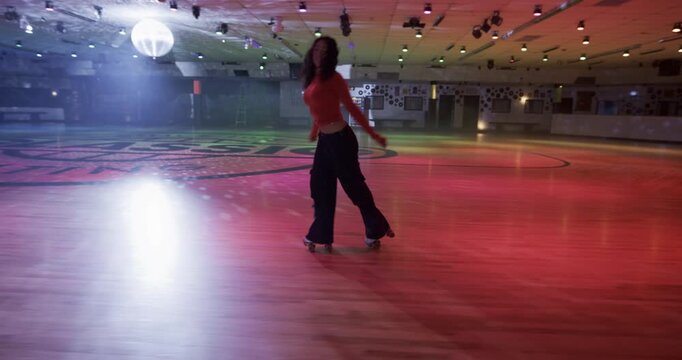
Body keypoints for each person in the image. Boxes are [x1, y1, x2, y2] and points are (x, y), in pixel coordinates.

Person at [301, 36, 394, 253]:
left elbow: (351, 108)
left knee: (355, 189)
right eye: (316, 50)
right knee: (320, 188)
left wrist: (374, 134)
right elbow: (317, 109)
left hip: (342, 140)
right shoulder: (311, 78)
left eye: (324, 51)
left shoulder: (334, 79)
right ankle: (321, 234)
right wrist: (315, 131)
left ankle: (376, 228)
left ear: (330, 55)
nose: (318, 54)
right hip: (325, 141)